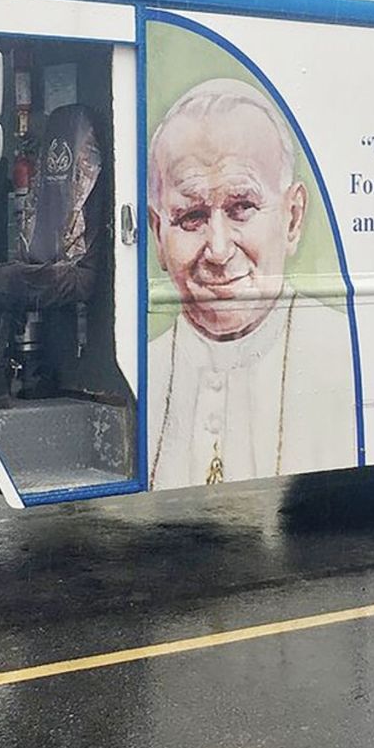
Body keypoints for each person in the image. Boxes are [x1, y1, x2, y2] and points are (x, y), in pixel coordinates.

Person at [146, 78, 355, 488]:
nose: (219, 251)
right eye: (192, 216)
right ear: (157, 234)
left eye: (242, 207)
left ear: (292, 218)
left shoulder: (348, 358)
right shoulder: (142, 373)